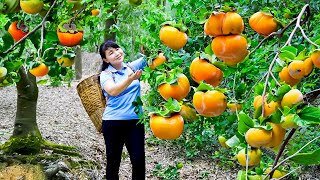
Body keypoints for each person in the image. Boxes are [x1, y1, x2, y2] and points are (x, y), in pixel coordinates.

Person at [99, 40, 147, 180]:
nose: (116, 53)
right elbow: (113, 91)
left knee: (138, 161)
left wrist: (148, 51)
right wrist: (130, 79)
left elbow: (150, 59)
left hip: (135, 122)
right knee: (114, 163)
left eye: (117, 49)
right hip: (113, 122)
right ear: (105, 59)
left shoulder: (131, 67)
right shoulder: (106, 75)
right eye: (111, 53)